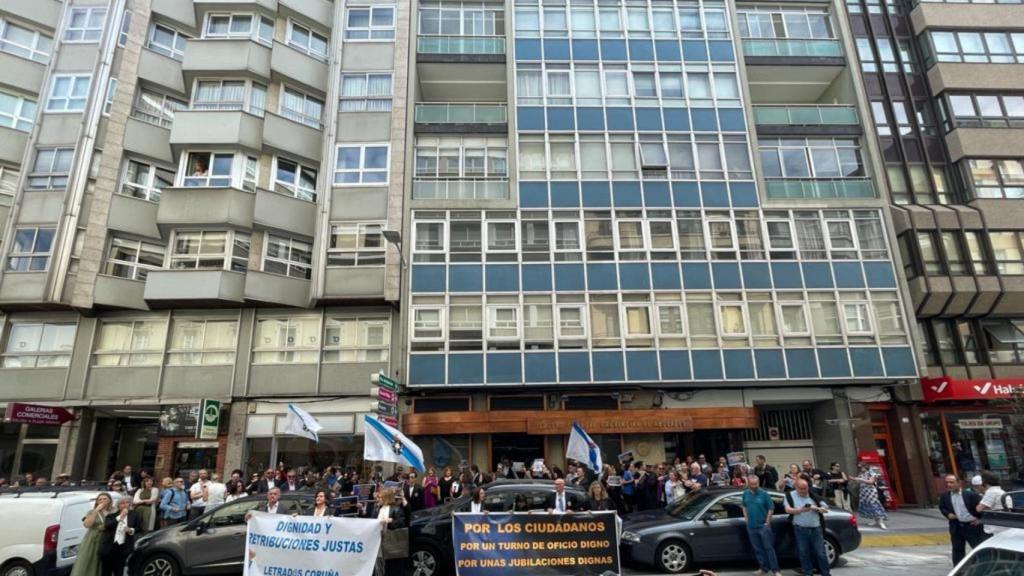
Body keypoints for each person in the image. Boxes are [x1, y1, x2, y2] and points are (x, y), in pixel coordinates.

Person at [784, 479, 831, 576]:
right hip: (800, 528)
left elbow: (825, 507)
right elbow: (788, 510)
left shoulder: (813, 495)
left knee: (820, 553)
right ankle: (808, 573)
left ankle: (825, 573)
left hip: (816, 528)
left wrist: (819, 509)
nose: (804, 491)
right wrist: (801, 510)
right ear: (796, 488)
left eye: (805, 488)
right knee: (803, 553)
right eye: (801, 489)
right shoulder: (789, 495)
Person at [939, 474, 986, 565]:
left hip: (972, 526)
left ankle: (983, 567)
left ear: (959, 483)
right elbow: (942, 507)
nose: (949, 485)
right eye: (947, 482)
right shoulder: (945, 496)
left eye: (952, 482)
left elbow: (984, 508)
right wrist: (948, 514)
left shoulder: (971, 495)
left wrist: (980, 520)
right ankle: (959, 569)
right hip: (956, 526)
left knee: (978, 548)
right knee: (957, 550)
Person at [741, 476, 781, 576]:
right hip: (751, 526)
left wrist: (767, 522)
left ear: (759, 483)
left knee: (769, 548)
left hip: (763, 526)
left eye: (756, 484)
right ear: (748, 484)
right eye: (752, 484)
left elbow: (771, 508)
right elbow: (744, 506)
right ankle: (763, 569)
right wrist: (746, 518)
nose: (754, 486)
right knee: (758, 549)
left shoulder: (764, 494)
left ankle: (775, 570)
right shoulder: (745, 493)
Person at [70, 493, 114, 576]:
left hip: (107, 539)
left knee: (105, 564)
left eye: (105, 499)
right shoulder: (92, 512)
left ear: (109, 500)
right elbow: (87, 525)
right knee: (89, 560)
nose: (102, 501)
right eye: (100, 499)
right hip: (93, 540)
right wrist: (96, 510)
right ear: (97, 502)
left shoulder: (114, 511)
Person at [101, 496, 142, 576]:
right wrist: (121, 516)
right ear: (118, 505)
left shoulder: (134, 515)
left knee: (119, 571)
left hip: (123, 547)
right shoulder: (111, 516)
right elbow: (108, 525)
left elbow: (139, 528)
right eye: (122, 503)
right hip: (110, 547)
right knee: (106, 571)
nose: (125, 505)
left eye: (127, 503)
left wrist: (131, 530)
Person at [850, 464, 888, 529]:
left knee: (874, 505)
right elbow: (858, 481)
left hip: (871, 491)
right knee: (869, 506)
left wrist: (859, 479)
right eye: (860, 467)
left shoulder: (871, 473)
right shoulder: (861, 474)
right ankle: (875, 520)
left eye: (861, 467)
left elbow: (871, 482)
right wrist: (853, 480)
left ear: (865, 467)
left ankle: (881, 521)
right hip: (864, 491)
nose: (860, 469)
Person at [976, 471, 1010, 537]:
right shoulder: (1001, 491)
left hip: (997, 528)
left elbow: (978, 509)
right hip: (1004, 525)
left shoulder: (991, 492)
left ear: (985, 483)